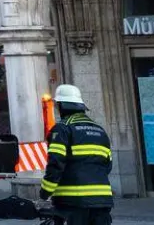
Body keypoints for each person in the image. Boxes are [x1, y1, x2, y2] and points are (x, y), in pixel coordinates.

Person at [40, 84, 114, 225]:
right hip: (102, 201)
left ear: (61, 106)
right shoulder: (100, 131)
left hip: (72, 202)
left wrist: (45, 192)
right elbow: (107, 165)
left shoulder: (62, 129)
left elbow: (55, 163)